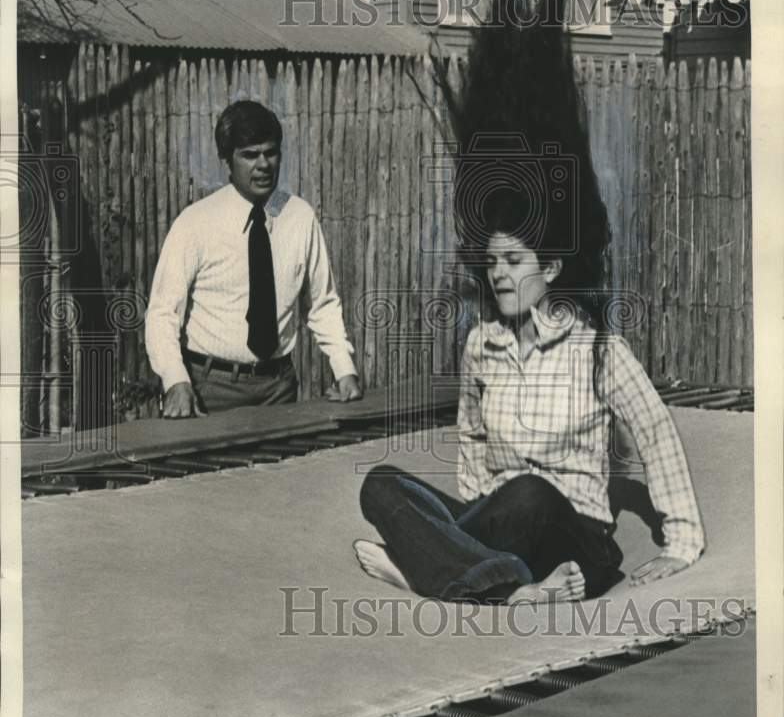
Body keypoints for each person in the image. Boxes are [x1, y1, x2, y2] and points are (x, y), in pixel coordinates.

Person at [354, 182, 706, 606]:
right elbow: (472, 432)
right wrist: (478, 506)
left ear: (551, 268)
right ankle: (506, 584)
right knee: (380, 483)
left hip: (576, 540)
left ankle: (428, 568)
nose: (499, 273)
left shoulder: (597, 348)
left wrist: (681, 545)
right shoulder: (482, 345)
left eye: (514, 261)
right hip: (503, 525)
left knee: (529, 490)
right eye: (492, 262)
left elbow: (656, 431)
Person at [145, 99, 362, 417]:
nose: (263, 165)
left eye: (270, 152)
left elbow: (322, 304)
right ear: (227, 160)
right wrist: (176, 382)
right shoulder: (195, 223)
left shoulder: (299, 218)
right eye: (249, 155)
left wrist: (344, 370)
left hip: (278, 388)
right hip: (209, 390)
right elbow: (162, 314)